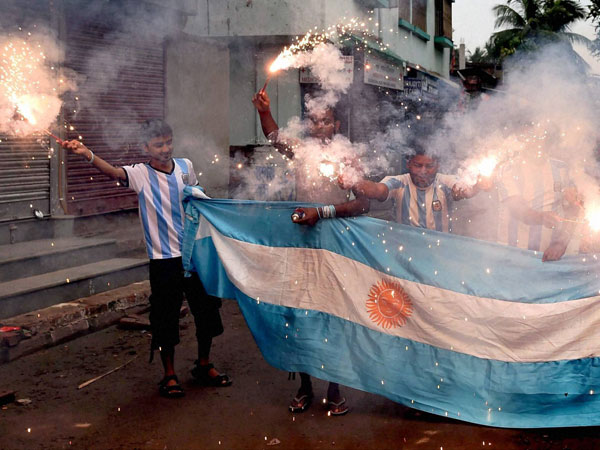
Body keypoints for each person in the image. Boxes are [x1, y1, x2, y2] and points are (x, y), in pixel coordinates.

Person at [62, 119, 231, 398]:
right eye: (158, 145)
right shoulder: (140, 174)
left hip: (194, 254)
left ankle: (203, 365)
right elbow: (113, 172)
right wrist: (87, 154)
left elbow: (199, 200)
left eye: (168, 142)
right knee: (165, 316)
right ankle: (169, 375)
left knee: (207, 309)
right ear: (145, 147)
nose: (165, 149)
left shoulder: (186, 167)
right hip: (164, 259)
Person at [252, 89, 365, 415]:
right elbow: (274, 136)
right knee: (300, 314)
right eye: (314, 120)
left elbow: (363, 202)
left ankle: (334, 388)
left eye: (326, 121)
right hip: (302, 245)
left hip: (335, 246)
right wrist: (263, 112)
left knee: (333, 315)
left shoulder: (348, 158)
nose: (319, 126)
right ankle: (304, 386)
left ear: (336, 124)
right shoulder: (301, 151)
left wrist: (324, 212)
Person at [296, 148, 487, 231]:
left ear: (438, 165)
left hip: (441, 253)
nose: (423, 172)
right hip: (403, 256)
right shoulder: (399, 182)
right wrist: (353, 182)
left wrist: (478, 185)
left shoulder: (445, 182)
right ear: (408, 163)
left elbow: (463, 191)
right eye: (417, 165)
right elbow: (377, 190)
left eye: (429, 166)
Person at [493, 148, 582, 261]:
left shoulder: (561, 168)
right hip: (511, 255)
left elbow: (574, 208)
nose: (539, 141)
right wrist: (541, 217)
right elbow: (517, 209)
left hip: (548, 257)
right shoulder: (508, 169)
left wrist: (561, 243)